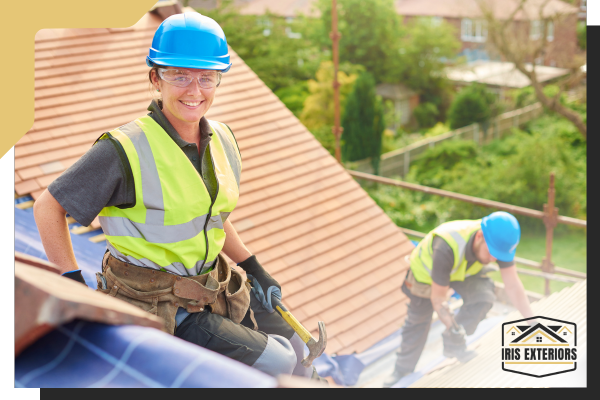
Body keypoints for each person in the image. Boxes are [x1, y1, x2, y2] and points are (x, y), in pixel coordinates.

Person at [33, 11, 324, 382]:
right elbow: (47, 208)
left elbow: (211, 215)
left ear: (218, 80)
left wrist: (253, 267)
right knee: (280, 362)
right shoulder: (124, 149)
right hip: (156, 304)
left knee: (287, 348)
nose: (194, 90)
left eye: (206, 77)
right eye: (180, 75)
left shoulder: (222, 139)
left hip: (209, 289)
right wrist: (74, 287)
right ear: (156, 78)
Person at [383, 211, 535, 387]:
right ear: (479, 236)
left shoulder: (495, 242)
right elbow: (439, 300)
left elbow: (513, 286)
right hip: (425, 277)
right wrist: (452, 326)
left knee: (483, 296)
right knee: (418, 322)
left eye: (498, 256)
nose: (494, 259)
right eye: (492, 253)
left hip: (461, 270)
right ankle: (402, 370)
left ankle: (454, 345)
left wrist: (531, 321)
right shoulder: (446, 245)